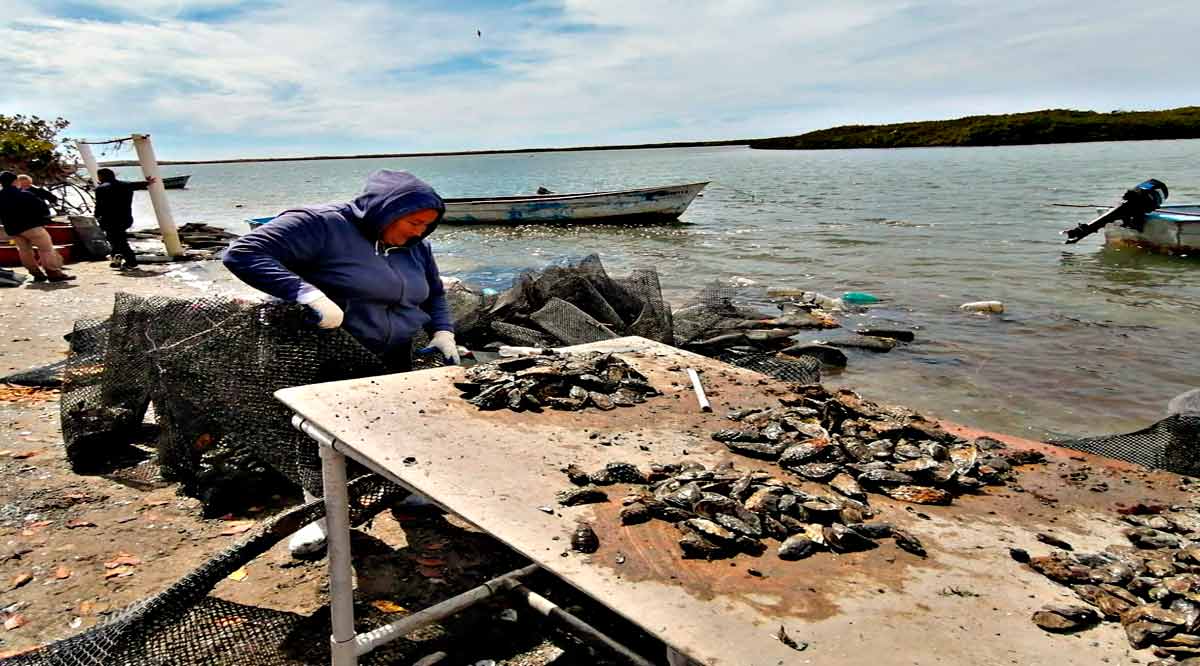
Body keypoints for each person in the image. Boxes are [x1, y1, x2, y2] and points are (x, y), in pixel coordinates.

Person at [223, 169, 460, 556]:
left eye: (427, 226)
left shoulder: (416, 246)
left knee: (393, 425)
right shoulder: (319, 224)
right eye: (414, 222)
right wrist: (306, 293)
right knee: (319, 440)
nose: (419, 232)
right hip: (323, 352)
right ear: (387, 210)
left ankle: (398, 493)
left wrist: (443, 331)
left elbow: (433, 293)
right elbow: (243, 253)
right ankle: (318, 517)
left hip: (393, 351)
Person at [0, 170, 75, 282]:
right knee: (46, 249)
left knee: (24, 251)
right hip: (32, 226)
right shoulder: (24, 194)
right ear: (15, 181)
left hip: (13, 229)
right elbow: (41, 208)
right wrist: (43, 220)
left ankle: (36, 274)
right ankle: (53, 272)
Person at [93, 168, 142, 269]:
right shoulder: (127, 185)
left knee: (118, 241)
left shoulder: (100, 189)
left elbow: (99, 206)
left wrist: (96, 216)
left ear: (101, 176)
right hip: (126, 218)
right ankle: (117, 260)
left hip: (110, 220)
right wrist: (148, 182)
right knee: (115, 239)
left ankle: (131, 262)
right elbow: (138, 185)